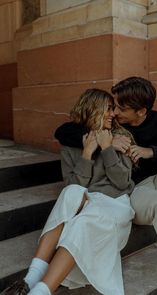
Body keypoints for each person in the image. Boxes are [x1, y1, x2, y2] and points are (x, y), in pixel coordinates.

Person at [54, 77, 157, 295]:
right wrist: (106, 142)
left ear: (141, 111)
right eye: (113, 106)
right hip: (134, 191)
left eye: (121, 108)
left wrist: (151, 151)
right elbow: (64, 131)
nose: (114, 112)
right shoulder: (112, 124)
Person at [3, 89, 135, 295]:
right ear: (92, 109)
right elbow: (73, 184)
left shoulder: (121, 137)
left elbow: (122, 182)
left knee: (82, 221)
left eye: (113, 109)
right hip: (84, 200)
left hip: (114, 203)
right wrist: (87, 153)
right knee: (70, 192)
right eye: (108, 109)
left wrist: (108, 148)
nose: (113, 114)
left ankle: (41, 291)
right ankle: (31, 278)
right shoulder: (72, 143)